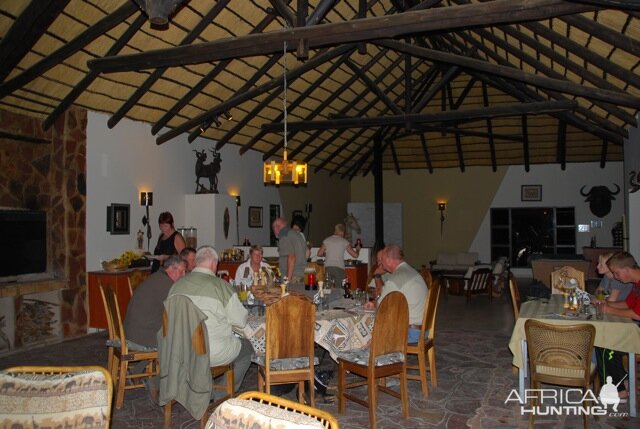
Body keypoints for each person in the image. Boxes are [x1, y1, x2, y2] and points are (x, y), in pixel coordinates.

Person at [167, 246, 252, 393]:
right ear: (214, 264)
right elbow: (241, 321)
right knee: (247, 348)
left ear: (196, 263)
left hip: (179, 351)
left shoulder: (176, 286)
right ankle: (220, 394)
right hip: (210, 353)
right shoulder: (222, 287)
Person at [595, 251, 640, 399]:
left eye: (616, 273)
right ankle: (623, 381)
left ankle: (618, 389)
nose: (615, 277)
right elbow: (628, 304)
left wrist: (609, 309)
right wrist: (607, 304)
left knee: (605, 344)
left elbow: (636, 314)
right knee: (605, 341)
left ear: (627, 270)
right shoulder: (635, 284)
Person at [366, 245, 428, 344]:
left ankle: (362, 358)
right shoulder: (411, 271)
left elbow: (381, 307)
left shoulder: (396, 278)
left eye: (382, 260)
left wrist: (375, 304)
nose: (380, 264)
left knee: (365, 333)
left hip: (411, 333)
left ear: (389, 260)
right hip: (423, 330)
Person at [124, 255, 186, 350]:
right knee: (185, 335)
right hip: (142, 338)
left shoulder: (156, 277)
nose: (184, 275)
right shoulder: (167, 285)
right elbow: (180, 312)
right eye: (181, 271)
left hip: (131, 332)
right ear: (170, 268)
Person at [271, 217, 307, 283]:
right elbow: (307, 253)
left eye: (273, 227)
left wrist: (287, 280)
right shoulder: (297, 234)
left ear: (277, 227)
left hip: (292, 276)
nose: (274, 230)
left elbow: (291, 257)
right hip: (300, 275)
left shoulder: (284, 235)